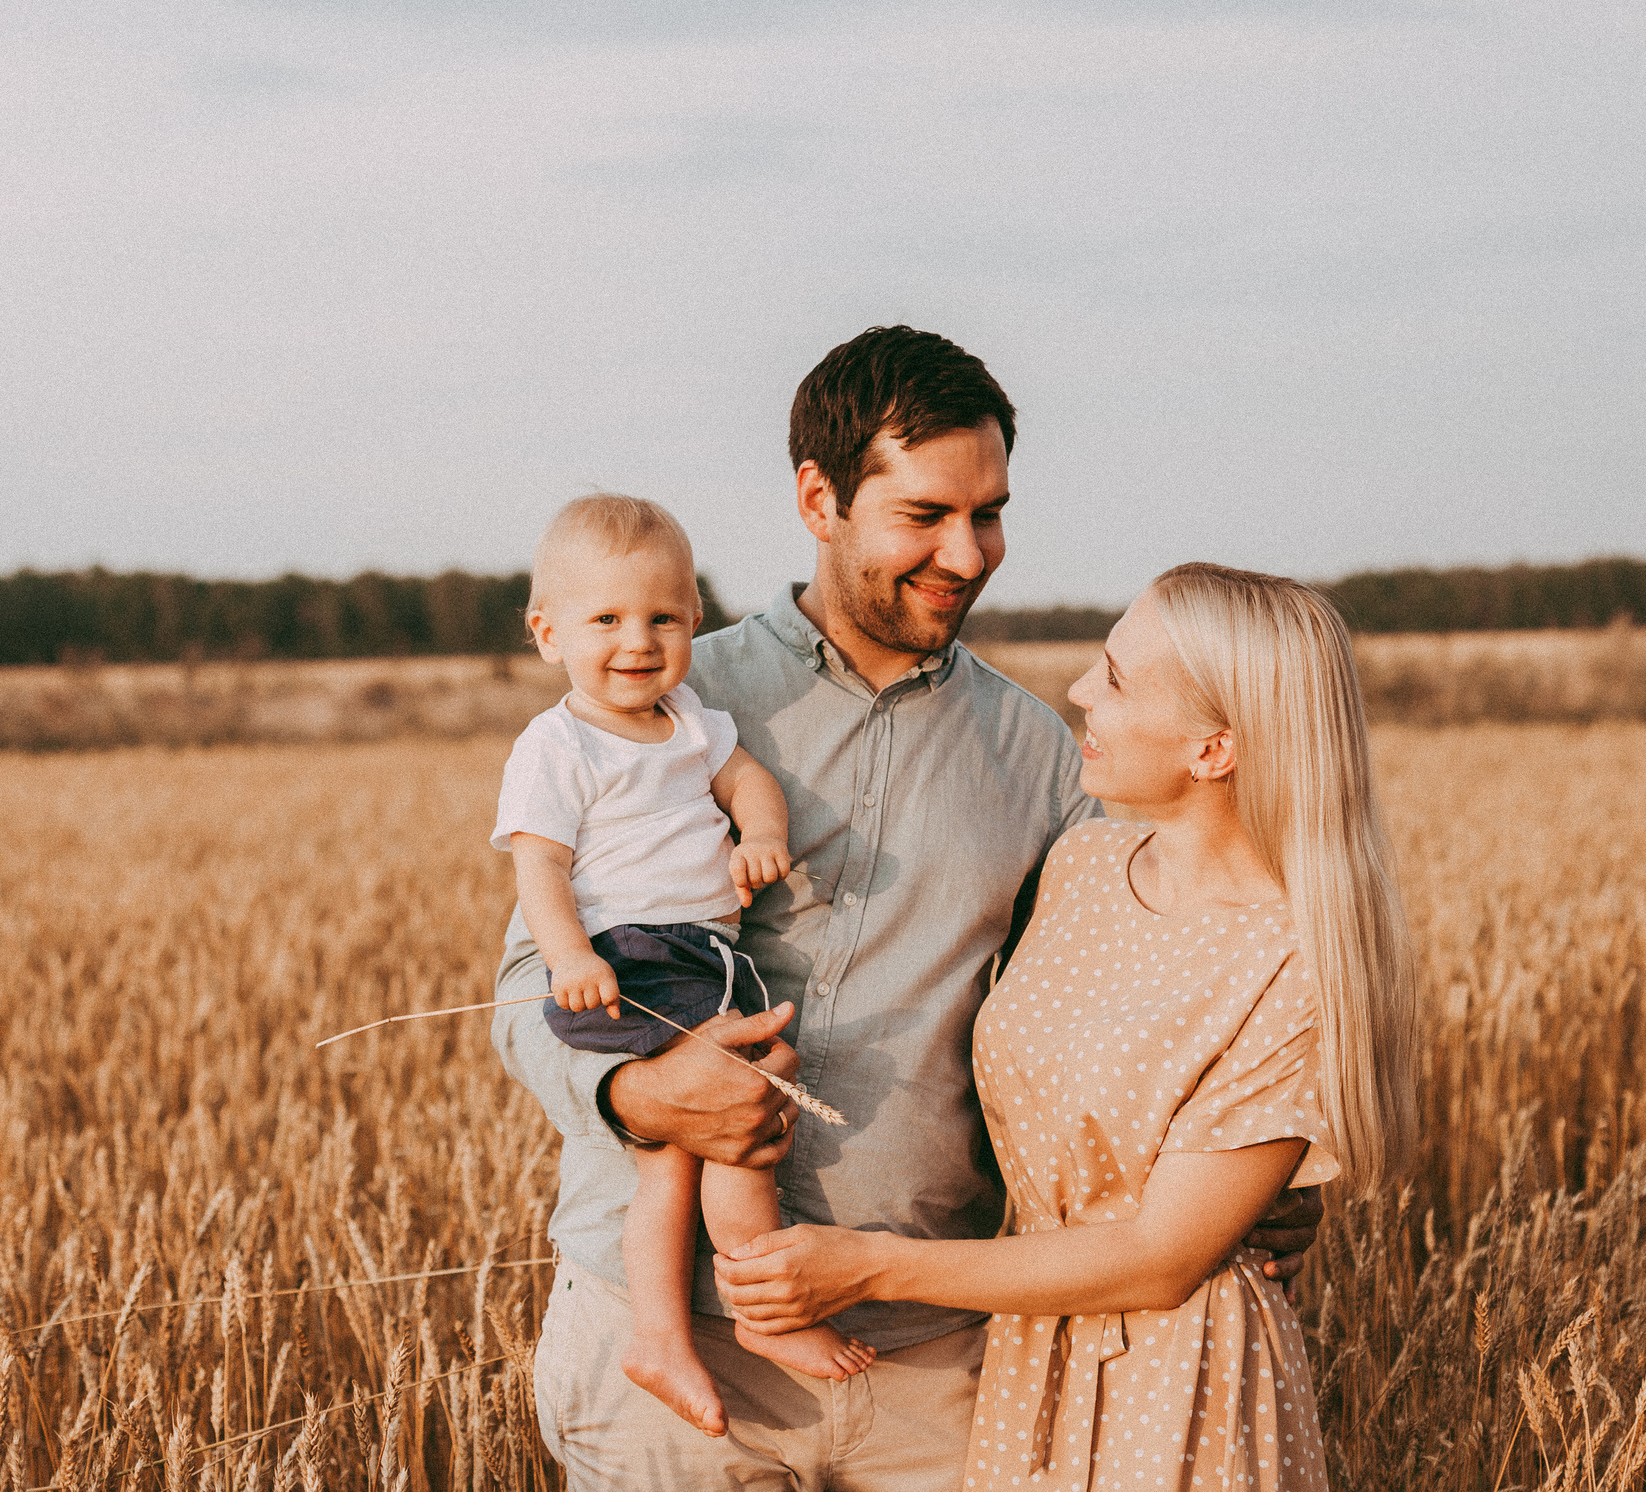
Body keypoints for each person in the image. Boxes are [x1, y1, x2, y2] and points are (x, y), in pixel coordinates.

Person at [492, 328, 1325, 1489]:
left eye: (987, 514)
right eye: (925, 513)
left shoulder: (1044, 756)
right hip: (672, 1359)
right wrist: (633, 1089)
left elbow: (1128, 1000)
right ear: (818, 498)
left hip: (936, 1364)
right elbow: (529, 982)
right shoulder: (675, 697)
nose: (966, 552)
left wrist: (1245, 1176)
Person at [715, 564, 1420, 1491]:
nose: (1081, 691)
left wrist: (872, 1265)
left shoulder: (1292, 959)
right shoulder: (1085, 863)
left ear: (1214, 749)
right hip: (1021, 1352)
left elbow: (1160, 1260)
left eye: (1118, 677)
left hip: (1180, 1384)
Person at [494, 494, 877, 1437]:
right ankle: (676, 1330)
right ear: (547, 634)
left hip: (707, 960)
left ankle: (733, 1317)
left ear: (695, 622)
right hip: (628, 962)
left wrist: (762, 834)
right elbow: (538, 863)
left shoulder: (693, 721)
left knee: (734, 1135)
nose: (638, 640)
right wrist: (571, 956)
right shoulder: (558, 742)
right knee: (679, 1150)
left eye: (663, 617)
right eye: (607, 619)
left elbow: (748, 781)